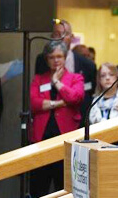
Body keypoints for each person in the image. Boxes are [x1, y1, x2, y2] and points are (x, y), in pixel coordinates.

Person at [30, 41, 84, 197]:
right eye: (51, 57)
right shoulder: (39, 79)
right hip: (42, 139)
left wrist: (56, 82)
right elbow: (35, 103)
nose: (56, 60)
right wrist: (60, 103)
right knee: (39, 186)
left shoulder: (75, 78)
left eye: (59, 56)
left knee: (64, 186)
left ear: (65, 58)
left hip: (66, 139)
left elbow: (76, 98)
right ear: (46, 60)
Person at [35, 20, 96, 126]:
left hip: (78, 122)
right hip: (47, 121)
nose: (61, 37)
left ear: (72, 37)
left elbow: (90, 94)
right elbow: (36, 96)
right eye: (57, 34)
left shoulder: (87, 64)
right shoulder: (42, 60)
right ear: (51, 37)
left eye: (65, 34)